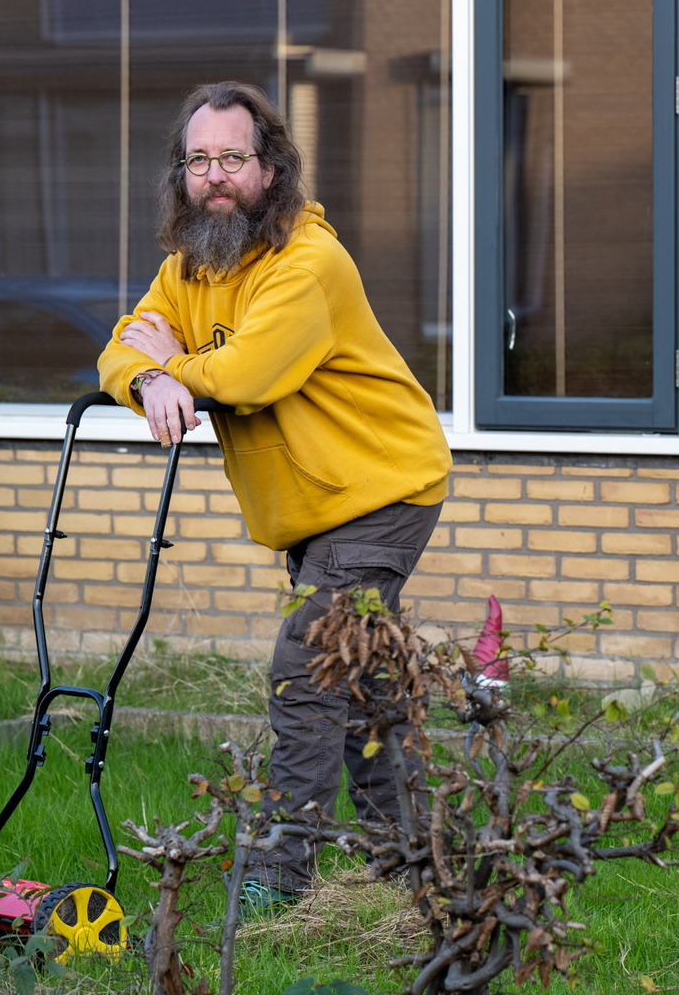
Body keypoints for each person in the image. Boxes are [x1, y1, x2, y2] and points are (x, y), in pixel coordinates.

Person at [97, 82, 452, 913]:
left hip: (378, 491)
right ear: (181, 175)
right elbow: (120, 345)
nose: (215, 176)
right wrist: (147, 375)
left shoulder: (309, 263)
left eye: (233, 158)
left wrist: (172, 369)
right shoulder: (190, 267)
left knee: (308, 670)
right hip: (317, 507)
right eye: (199, 161)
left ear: (271, 167)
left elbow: (247, 377)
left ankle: (281, 876)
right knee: (365, 684)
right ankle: (406, 862)